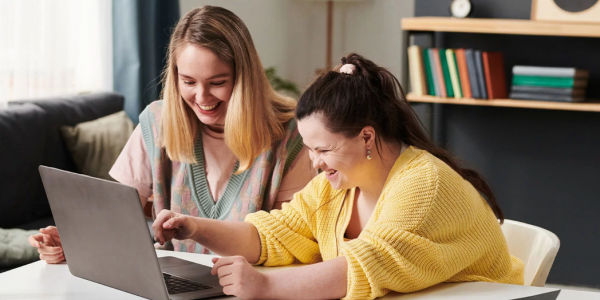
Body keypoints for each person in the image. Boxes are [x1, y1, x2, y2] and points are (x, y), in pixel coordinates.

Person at [151, 54, 525, 300]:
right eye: (310, 149)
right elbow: (272, 236)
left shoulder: (422, 184)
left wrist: (263, 285)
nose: (314, 162)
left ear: (366, 136)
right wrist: (195, 228)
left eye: (324, 149)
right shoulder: (337, 186)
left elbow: (361, 267)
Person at [28, 5, 317, 263]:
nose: (202, 97)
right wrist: (72, 242)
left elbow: (287, 244)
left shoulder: (291, 136)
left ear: (244, 78)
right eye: (188, 81)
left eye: (217, 82)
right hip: (172, 285)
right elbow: (114, 221)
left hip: (252, 287)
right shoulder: (157, 121)